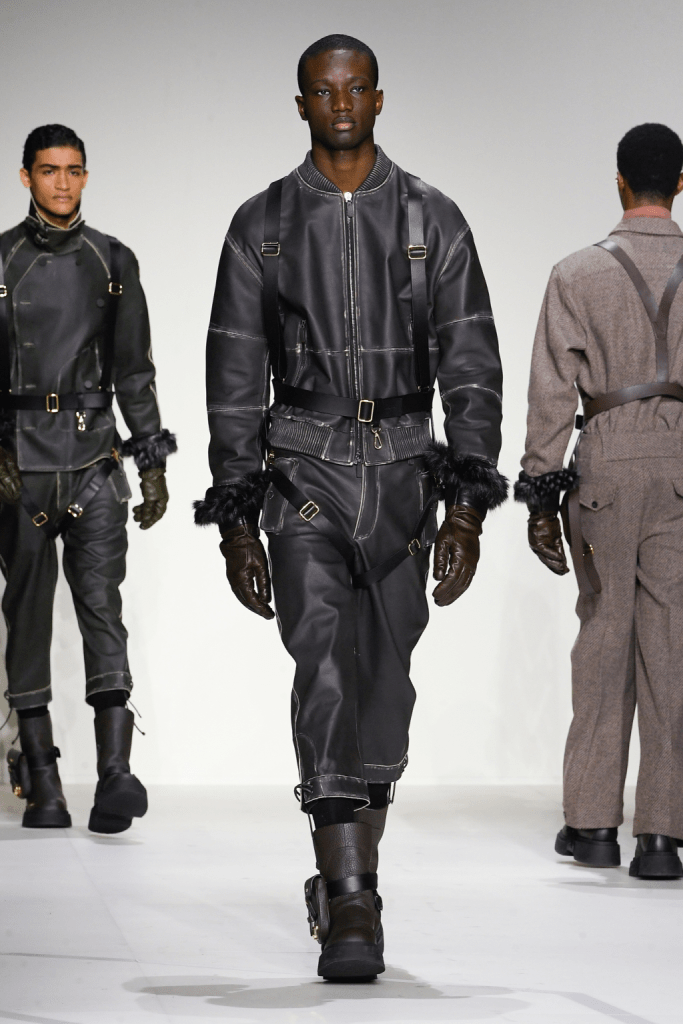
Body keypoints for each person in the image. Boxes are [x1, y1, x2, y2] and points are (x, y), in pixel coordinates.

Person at [195, 35, 505, 977]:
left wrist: (466, 507)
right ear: (300, 104)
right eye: (323, 90)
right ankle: (353, 903)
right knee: (323, 667)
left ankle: (345, 876)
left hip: (408, 474)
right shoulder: (261, 224)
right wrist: (238, 519)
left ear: (378, 97)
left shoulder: (432, 217)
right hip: (304, 471)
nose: (340, 102)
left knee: (386, 691)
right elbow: (234, 374)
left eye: (355, 87)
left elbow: (470, 361)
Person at [516, 123, 683, 881]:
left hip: (608, 460)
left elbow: (551, 392)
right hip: (681, 464)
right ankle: (662, 837)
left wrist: (539, 492)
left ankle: (591, 827)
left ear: (619, 182)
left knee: (604, 633)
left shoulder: (575, 273)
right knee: (672, 643)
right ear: (679, 183)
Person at [0, 124, 176, 834]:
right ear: (25, 177)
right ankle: (42, 783)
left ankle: (115, 776)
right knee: (27, 616)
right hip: (19, 468)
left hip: (95, 461)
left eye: (74, 170)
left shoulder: (113, 260)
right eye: (50, 170)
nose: (63, 183)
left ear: (85, 175)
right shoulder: (3, 261)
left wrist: (152, 461)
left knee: (103, 610)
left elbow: (134, 370)